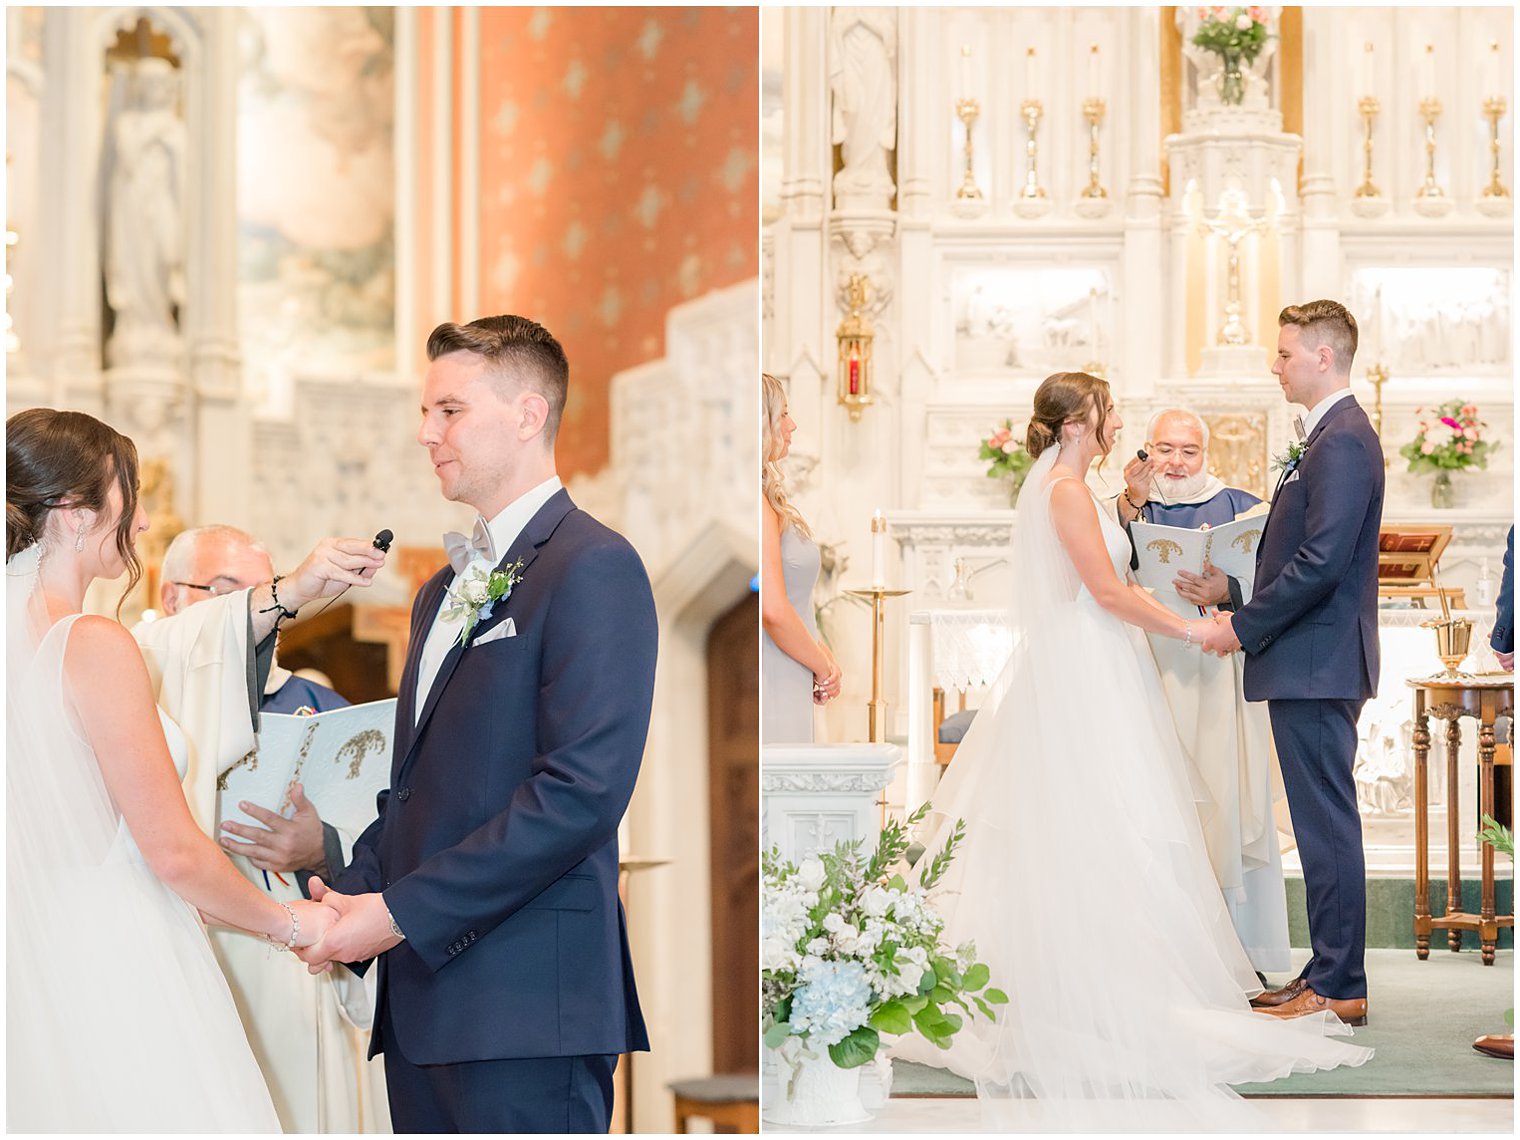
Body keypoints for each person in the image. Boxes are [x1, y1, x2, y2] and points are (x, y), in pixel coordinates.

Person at [891, 372, 1369, 1128]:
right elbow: (1106, 590)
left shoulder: (1076, 487)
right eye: (1110, 413)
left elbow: (1103, 566)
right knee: (1099, 820)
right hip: (1087, 662)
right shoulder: (1065, 492)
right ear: (1081, 422)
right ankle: (1090, 985)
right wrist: (1193, 629)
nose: (1121, 426)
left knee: (1102, 824)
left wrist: (1136, 512)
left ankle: (1097, 972)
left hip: (1096, 660)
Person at [297, 315, 659, 1133]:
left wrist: (390, 915)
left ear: (529, 415)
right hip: (426, 1006)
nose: (427, 434)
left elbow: (579, 795)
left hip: (528, 1008)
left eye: (450, 411)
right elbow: (415, 792)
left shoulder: (594, 565)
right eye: (428, 413)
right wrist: (342, 898)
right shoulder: (437, 592)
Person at [4, 407, 380, 1130]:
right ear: (78, 512)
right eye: (130, 494)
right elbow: (171, 853)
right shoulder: (93, 643)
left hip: (28, 966)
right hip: (115, 961)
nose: (142, 523)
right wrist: (291, 923)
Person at [149, 522, 388, 1132]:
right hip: (179, 943)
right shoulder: (140, 681)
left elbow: (376, 832)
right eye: (230, 594)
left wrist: (323, 847)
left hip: (292, 959)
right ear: (171, 595)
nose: (258, 614)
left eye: (271, 595)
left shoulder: (321, 703)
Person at [1201, 302, 1384, 1029]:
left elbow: (1322, 561)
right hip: (1314, 657)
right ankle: (1325, 968)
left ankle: (1340, 984)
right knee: (1317, 825)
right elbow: (1309, 562)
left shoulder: (1340, 439)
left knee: (1327, 826)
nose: (1273, 366)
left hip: (1317, 662)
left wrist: (1241, 627)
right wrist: (1239, 593)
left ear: (1322, 356)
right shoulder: (1330, 436)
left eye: (1282, 354)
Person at [1116, 408, 1290, 978]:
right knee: (1158, 793)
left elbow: (1276, 581)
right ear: (1146, 450)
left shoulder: (1242, 505)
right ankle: (1156, 946)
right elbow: (1101, 570)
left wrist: (1231, 586)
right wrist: (1128, 506)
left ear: (1206, 455)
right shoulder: (1129, 504)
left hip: (1219, 666)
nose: (1176, 462)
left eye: (1188, 451)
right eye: (1164, 449)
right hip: (1150, 662)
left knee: (1222, 790)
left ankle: (1235, 951)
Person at [761, 373, 841, 742]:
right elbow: (773, 610)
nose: (792, 426)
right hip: (774, 672)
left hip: (790, 664)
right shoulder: (758, 504)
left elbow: (792, 602)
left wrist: (819, 650)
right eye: (783, 415)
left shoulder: (766, 497)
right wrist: (822, 666)